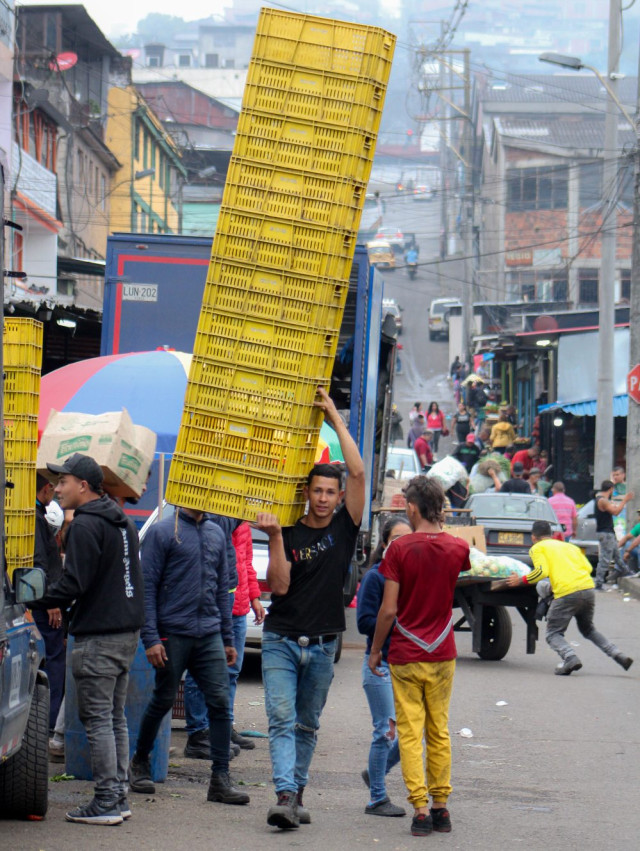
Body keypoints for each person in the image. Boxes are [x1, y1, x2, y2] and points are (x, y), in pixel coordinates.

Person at [256, 388, 365, 830]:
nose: (323, 498)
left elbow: (357, 472)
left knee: (307, 725)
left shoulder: (345, 525)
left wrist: (335, 417)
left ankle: (296, 792)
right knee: (281, 719)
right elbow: (279, 586)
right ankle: (284, 795)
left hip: (322, 644)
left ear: (340, 497)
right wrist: (277, 538)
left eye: (330, 492)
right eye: (316, 490)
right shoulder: (285, 528)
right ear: (306, 492)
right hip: (281, 639)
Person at [37, 453, 144, 826]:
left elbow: (73, 584)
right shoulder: (120, 522)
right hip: (126, 632)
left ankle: (106, 801)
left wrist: (32, 596)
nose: (56, 488)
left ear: (83, 485)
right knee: (115, 718)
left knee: (98, 720)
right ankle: (119, 794)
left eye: (62, 481)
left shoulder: (84, 525)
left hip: (98, 636)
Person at [369, 477, 470, 837]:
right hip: (442, 651)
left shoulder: (398, 550)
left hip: (407, 653)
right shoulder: (458, 548)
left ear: (411, 507)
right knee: (438, 730)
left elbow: (388, 610)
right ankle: (442, 807)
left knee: (410, 733)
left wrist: (377, 649)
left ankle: (421, 810)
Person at [128, 507, 250, 807]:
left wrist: (226, 637)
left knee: (220, 704)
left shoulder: (216, 533)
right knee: (163, 698)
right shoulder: (162, 532)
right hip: (173, 633)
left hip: (208, 633)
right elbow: (148, 588)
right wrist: (152, 638)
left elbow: (222, 588)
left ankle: (220, 779)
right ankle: (139, 762)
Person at [507, 520, 633, 675]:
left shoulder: (537, 548)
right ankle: (618, 654)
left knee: (553, 633)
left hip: (566, 593)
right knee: (589, 629)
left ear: (533, 537)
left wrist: (520, 580)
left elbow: (541, 572)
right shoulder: (570, 547)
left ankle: (569, 657)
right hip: (587, 589)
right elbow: (587, 568)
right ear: (551, 535)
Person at [356, 517, 412, 818]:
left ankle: (375, 772)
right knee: (385, 733)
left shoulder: (415, 579)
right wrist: (394, 619)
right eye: (396, 540)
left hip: (409, 667)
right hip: (380, 666)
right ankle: (376, 797)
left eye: (408, 539)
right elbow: (364, 622)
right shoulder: (375, 578)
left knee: (414, 733)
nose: (402, 545)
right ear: (385, 544)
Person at [32, 475, 65, 734]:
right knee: (53, 660)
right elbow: (40, 563)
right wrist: (51, 601)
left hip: (40, 601)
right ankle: (50, 724)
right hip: (45, 605)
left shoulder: (36, 515)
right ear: (46, 489)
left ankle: (47, 722)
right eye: (54, 488)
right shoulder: (35, 518)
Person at [594, 480, 635, 590]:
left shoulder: (601, 499)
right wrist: (624, 501)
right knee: (605, 558)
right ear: (611, 489)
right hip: (606, 533)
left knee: (617, 554)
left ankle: (625, 571)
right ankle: (598, 583)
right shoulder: (603, 500)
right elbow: (616, 512)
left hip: (607, 532)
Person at [620, 509, 640, 574]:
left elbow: (637, 540)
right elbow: (626, 538)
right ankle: (621, 570)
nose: (639, 518)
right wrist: (614, 550)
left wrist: (628, 551)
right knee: (626, 544)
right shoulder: (638, 526)